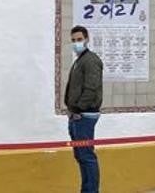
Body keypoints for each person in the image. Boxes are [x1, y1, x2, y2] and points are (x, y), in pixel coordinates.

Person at [64, 25, 103, 193]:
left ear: (86, 39)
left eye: (79, 39)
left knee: (86, 156)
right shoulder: (80, 60)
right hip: (77, 116)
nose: (76, 43)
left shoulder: (91, 60)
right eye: (73, 40)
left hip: (84, 116)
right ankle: (86, 189)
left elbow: (91, 88)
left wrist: (78, 108)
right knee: (80, 155)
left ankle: (91, 191)